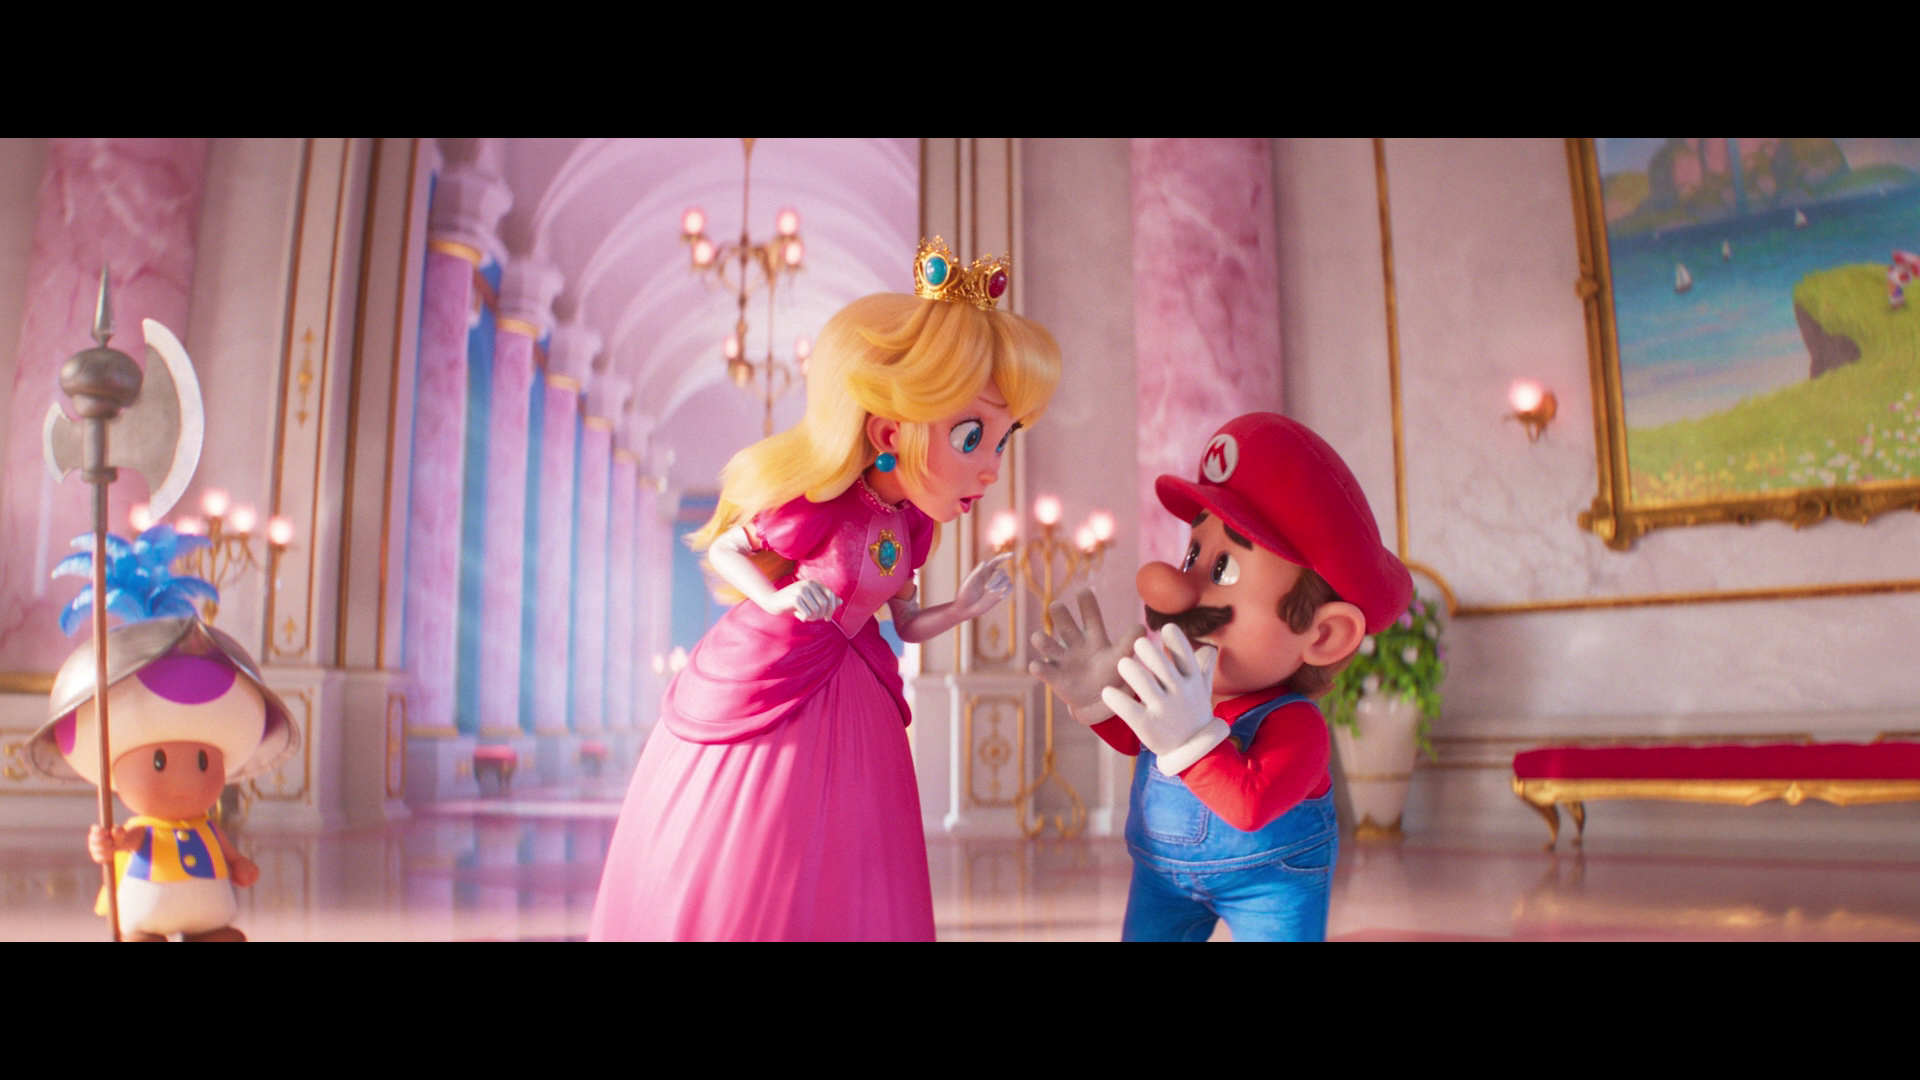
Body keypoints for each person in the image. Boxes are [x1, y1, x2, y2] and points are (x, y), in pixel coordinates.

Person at [590, 239, 1061, 941]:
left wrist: (963, 606)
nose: (992, 468)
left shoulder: (912, 527)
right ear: (889, 432)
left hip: (858, 681)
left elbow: (905, 621)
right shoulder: (817, 506)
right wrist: (776, 599)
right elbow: (725, 547)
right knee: (763, 840)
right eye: (972, 437)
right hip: (777, 674)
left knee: (852, 853)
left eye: (1002, 440)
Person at [1030, 413, 1410, 941]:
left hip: (1272, 883)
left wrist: (1188, 741)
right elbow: (1138, 737)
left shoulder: (1298, 727)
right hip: (1162, 877)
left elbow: (1249, 806)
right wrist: (1099, 699)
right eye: (1193, 554)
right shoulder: (1180, 685)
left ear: (1323, 635)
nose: (1176, 590)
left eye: (1223, 570)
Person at [27, 604, 299, 941]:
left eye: (202, 762)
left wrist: (240, 865)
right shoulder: (142, 831)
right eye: (160, 763)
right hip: (147, 916)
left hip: (209, 918)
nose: (185, 782)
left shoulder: (209, 829)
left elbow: (230, 856)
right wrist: (106, 845)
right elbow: (122, 843)